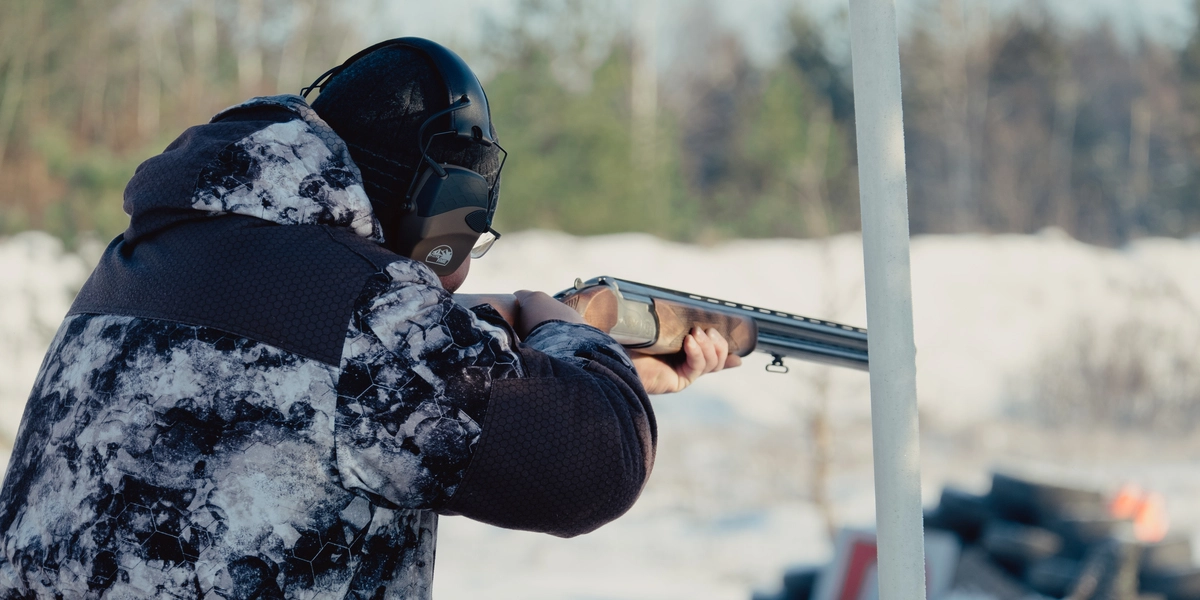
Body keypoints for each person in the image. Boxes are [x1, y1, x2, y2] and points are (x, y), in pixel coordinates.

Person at [0, 38, 739, 599]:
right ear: (440, 214)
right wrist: (562, 330)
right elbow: (596, 467)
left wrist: (564, 363)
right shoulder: (370, 317)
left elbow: (311, 364)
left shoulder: (149, 254)